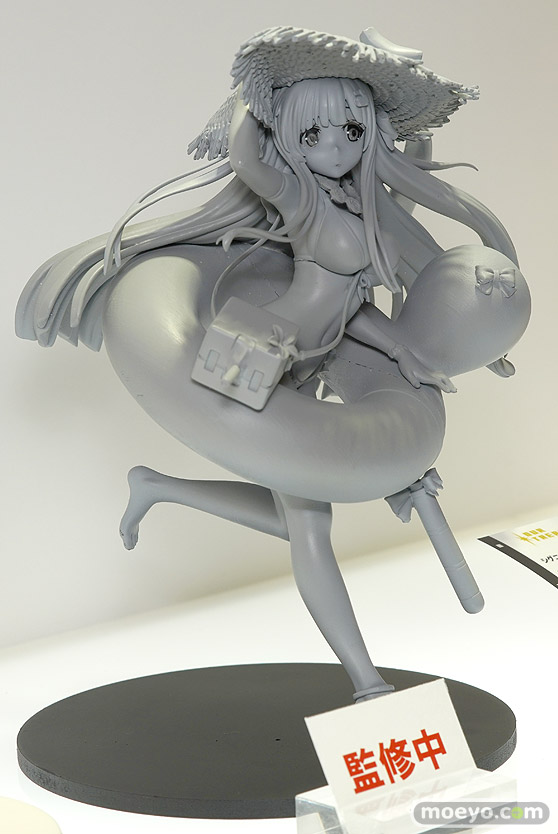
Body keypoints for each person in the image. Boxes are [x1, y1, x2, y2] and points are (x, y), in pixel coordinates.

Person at [16, 25, 530, 701]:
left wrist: (404, 353)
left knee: (300, 515)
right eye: (311, 135)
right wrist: (251, 97)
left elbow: (351, 307)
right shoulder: (302, 200)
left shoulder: (360, 206)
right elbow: (247, 160)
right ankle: (365, 681)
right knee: (310, 530)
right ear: (286, 138)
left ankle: (158, 487)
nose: (335, 149)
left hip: (309, 363)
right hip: (259, 351)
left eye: (351, 131)